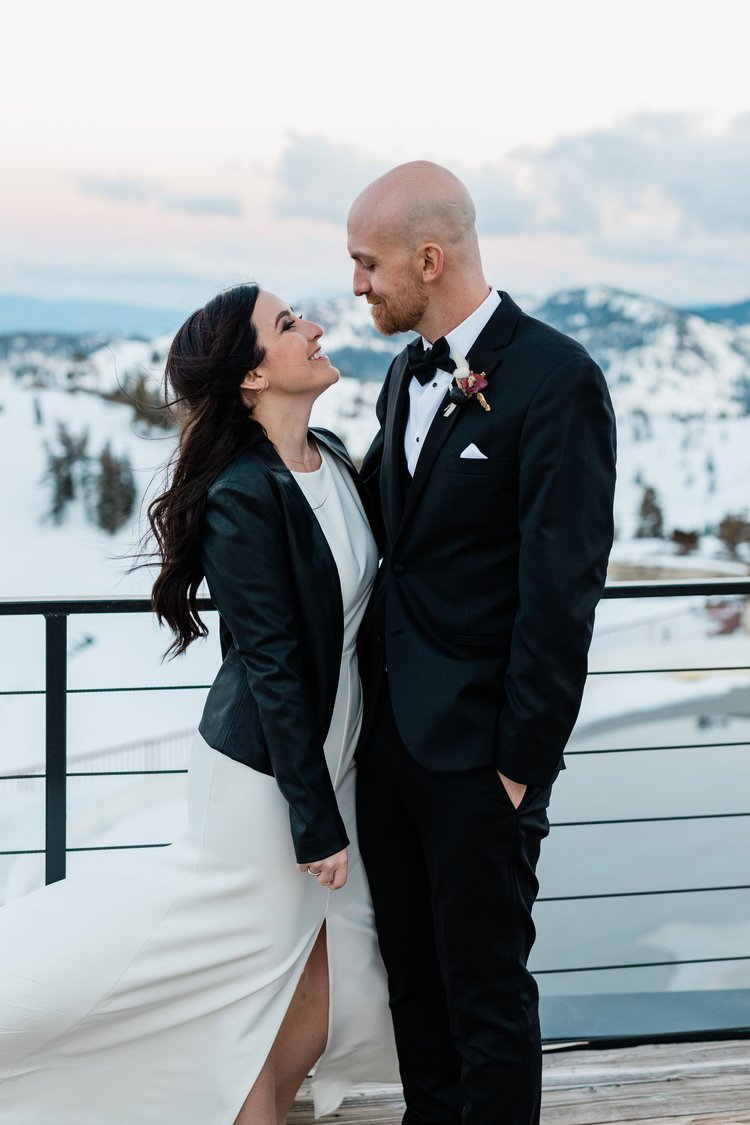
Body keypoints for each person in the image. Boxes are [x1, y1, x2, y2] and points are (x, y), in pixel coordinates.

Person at [0, 284, 398, 1125]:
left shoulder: (328, 454)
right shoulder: (240, 496)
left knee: (324, 984)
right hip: (265, 780)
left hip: (329, 762)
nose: (316, 328)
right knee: (250, 982)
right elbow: (273, 666)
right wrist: (313, 815)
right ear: (251, 376)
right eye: (289, 325)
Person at [348, 162, 617, 1125]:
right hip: (390, 747)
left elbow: (564, 590)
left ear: (430, 256)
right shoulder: (399, 372)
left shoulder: (558, 379)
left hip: (480, 761)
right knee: (414, 986)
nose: (357, 286)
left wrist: (519, 765)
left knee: (487, 997)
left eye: (366, 262)